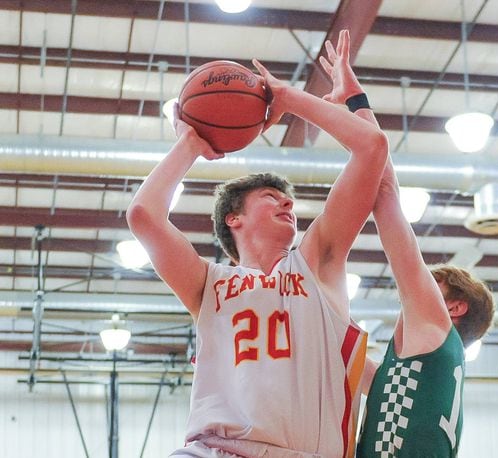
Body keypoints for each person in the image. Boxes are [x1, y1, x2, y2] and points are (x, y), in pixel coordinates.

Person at [127, 59, 388, 458]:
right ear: (234, 218)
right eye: (270, 197)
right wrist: (191, 144)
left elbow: (372, 147)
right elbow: (143, 215)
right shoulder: (207, 283)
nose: (287, 201)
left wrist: (288, 97)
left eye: (289, 200)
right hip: (214, 449)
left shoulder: (317, 261)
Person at [318, 30, 496, 457]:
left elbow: (384, 193)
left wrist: (355, 104)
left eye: (434, 287)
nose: (414, 292)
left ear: (452, 308)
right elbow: (347, 351)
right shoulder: (407, 370)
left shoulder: (435, 332)